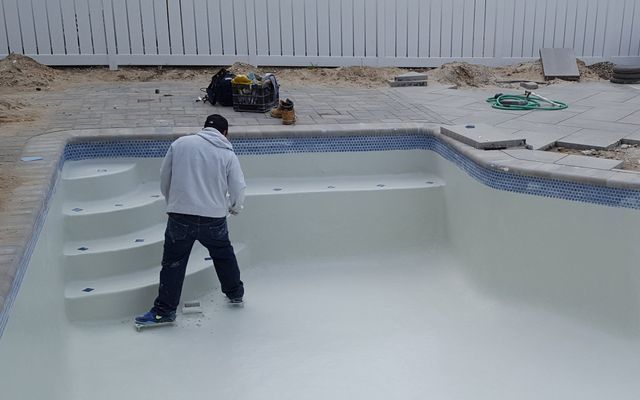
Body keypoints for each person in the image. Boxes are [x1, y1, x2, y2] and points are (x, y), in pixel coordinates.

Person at [135, 114, 246, 326]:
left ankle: (164, 311)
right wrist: (234, 208)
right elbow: (238, 187)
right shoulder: (227, 153)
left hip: (180, 216)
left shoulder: (180, 144)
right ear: (225, 133)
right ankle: (235, 294)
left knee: (173, 263)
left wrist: (173, 202)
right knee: (223, 256)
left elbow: (164, 176)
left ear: (203, 129)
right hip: (214, 218)